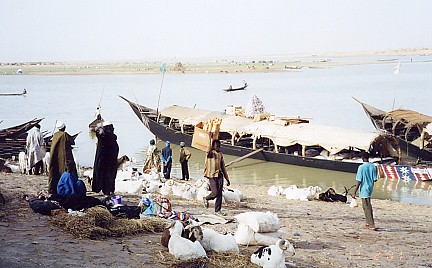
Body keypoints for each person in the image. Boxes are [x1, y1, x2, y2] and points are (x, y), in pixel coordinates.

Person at [48, 121, 78, 194]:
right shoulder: (65, 135)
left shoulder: (55, 135)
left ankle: (53, 189)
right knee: (65, 170)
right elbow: (72, 142)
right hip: (64, 157)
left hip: (55, 157)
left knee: (55, 171)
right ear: (64, 128)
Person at [92, 121, 119, 199]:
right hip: (107, 161)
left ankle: (108, 191)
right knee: (108, 176)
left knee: (107, 176)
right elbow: (99, 134)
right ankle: (108, 191)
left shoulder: (108, 136)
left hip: (107, 161)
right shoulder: (107, 136)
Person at [203, 139, 231, 216]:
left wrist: (227, 179)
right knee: (215, 193)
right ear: (213, 146)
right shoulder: (210, 154)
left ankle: (217, 210)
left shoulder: (220, 154)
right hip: (211, 175)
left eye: (219, 146)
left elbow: (223, 167)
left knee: (219, 194)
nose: (218, 148)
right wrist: (209, 137)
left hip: (219, 175)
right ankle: (206, 198)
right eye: (216, 146)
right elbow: (208, 149)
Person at [352, 151, 378, 231]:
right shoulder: (373, 167)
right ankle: (368, 222)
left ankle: (371, 224)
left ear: (363, 159)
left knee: (367, 206)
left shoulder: (361, 167)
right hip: (370, 188)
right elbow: (375, 179)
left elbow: (359, 180)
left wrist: (354, 192)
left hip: (364, 188)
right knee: (366, 205)